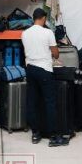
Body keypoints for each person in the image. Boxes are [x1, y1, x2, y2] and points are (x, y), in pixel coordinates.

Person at [21, 8, 66, 147]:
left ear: (33, 18)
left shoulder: (25, 33)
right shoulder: (48, 32)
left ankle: (35, 134)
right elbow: (56, 54)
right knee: (50, 103)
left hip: (30, 69)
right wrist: (51, 52)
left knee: (32, 102)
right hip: (44, 70)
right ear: (43, 18)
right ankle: (53, 137)